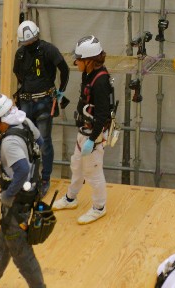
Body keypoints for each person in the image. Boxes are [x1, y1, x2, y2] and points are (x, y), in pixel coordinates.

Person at [0, 93, 46, 288]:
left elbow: (21, 169)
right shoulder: (25, 122)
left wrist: (8, 194)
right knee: (4, 239)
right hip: (29, 194)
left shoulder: (9, 142)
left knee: (21, 254)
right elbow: (40, 144)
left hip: (16, 201)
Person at [52, 34, 113, 225]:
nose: (75, 62)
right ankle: (71, 198)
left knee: (93, 173)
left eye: (78, 59)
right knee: (76, 166)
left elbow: (103, 115)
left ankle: (99, 207)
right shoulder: (88, 74)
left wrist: (92, 140)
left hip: (92, 137)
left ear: (89, 60)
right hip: (84, 131)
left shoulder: (101, 82)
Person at [12, 19, 70, 195]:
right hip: (29, 101)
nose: (28, 45)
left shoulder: (47, 50)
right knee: (29, 142)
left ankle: (44, 179)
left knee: (43, 142)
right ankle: (32, 178)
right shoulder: (22, 53)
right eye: (26, 42)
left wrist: (60, 91)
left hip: (43, 101)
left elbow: (64, 69)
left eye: (30, 42)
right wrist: (59, 90)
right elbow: (18, 73)